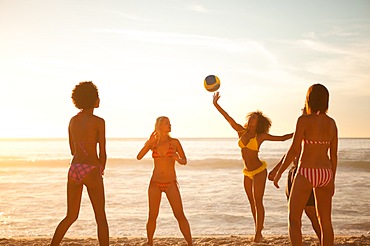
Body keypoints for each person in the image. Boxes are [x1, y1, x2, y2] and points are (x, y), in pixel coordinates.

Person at [212, 92, 293, 242]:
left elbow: (281, 138)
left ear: (259, 123)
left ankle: (258, 233)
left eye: (254, 118)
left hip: (259, 172)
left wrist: (300, 132)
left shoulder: (260, 137)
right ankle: (258, 230)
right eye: (251, 117)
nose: (251, 119)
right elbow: (227, 118)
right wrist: (216, 104)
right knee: (251, 202)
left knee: (258, 202)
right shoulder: (240, 131)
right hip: (247, 172)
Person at [273, 84, 338, 246]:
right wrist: (332, 180)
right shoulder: (332, 123)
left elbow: (294, 150)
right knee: (325, 223)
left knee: (294, 219)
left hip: (307, 172)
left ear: (309, 99)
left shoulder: (303, 120)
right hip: (326, 173)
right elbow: (334, 155)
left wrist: (279, 172)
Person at [51, 81, 109, 246]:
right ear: (92, 99)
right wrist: (101, 168)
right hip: (91, 169)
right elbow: (102, 152)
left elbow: (72, 150)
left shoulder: (73, 121)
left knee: (71, 215)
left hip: (74, 169)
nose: (100, 99)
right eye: (97, 96)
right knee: (100, 217)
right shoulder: (99, 121)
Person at [137, 116, 193, 246]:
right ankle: (150, 242)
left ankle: (190, 243)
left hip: (170, 183)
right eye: (166, 123)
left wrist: (178, 159)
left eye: (169, 123)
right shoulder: (153, 143)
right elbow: (139, 156)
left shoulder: (174, 142)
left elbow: (184, 161)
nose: (170, 125)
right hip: (155, 183)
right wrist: (148, 143)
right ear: (159, 126)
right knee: (152, 216)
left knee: (179, 214)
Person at [268, 107, 321, 240]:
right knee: (296, 215)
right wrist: (276, 169)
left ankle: (323, 240)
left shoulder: (313, 131)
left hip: (303, 174)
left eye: (305, 111)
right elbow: (291, 152)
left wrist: (278, 172)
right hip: (295, 172)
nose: (302, 113)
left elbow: (294, 152)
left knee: (309, 214)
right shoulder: (303, 129)